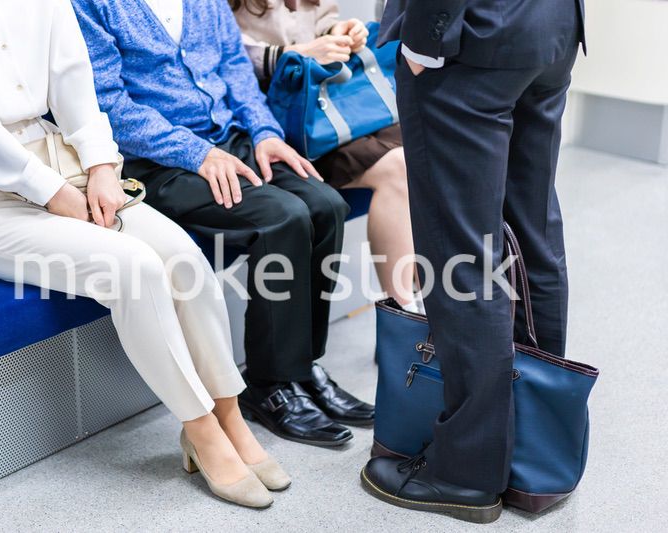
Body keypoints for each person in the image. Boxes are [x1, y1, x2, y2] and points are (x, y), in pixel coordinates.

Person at [0, 0, 289, 509]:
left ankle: (229, 414)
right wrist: (50, 192)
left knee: (181, 255)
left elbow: (73, 79)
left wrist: (101, 166)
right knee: (132, 266)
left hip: (63, 162)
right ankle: (201, 431)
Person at [72, 0, 376, 449]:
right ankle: (270, 385)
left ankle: (301, 368)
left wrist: (265, 133)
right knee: (282, 217)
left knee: (325, 205)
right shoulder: (91, 5)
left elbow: (235, 68)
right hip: (155, 162)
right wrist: (196, 153)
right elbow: (109, 104)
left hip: (228, 139)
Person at [361, 0, 586, 524]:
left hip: (470, 36)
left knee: (461, 256)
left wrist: (425, 39)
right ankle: (531, 445)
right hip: (551, 28)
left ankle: (467, 471)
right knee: (533, 235)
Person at [230, 0, 420, 311]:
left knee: (423, 150)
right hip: (280, 122)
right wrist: (299, 54)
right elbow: (228, 59)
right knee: (398, 168)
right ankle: (403, 313)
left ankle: (423, 303)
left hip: (329, 105)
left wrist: (340, 33)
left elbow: (322, 22)